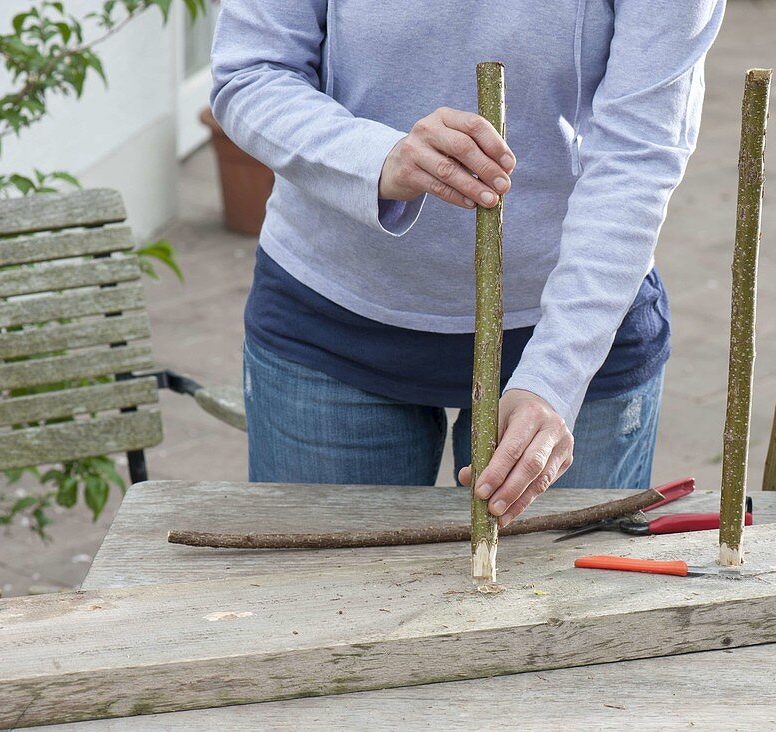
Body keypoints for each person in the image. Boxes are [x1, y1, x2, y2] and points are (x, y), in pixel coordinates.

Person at [210, 1, 725, 526]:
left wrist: (556, 377)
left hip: (570, 326)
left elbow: (638, 153)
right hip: (334, 319)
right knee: (320, 595)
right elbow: (252, 71)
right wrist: (376, 158)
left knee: (553, 603)